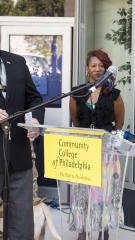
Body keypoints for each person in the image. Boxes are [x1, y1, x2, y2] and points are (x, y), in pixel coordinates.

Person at [68, 49, 125, 240]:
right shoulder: (77, 93)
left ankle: (104, 234)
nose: (98, 69)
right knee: (82, 194)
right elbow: (76, 122)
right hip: (83, 151)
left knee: (104, 195)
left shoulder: (114, 95)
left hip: (106, 153)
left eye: (102, 66)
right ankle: (82, 233)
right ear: (87, 69)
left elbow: (119, 124)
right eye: (94, 65)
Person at [0, 50, 44, 239]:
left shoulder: (17, 62)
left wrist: (34, 120)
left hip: (18, 152)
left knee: (21, 221)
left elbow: (34, 98)